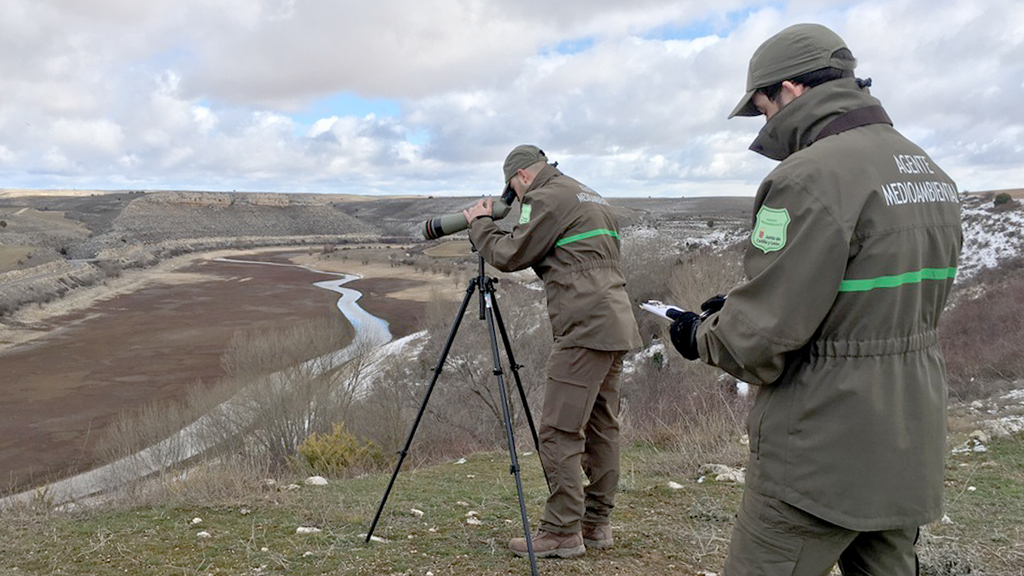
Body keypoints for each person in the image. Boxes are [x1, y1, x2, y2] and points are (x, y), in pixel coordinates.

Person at [667, 23, 962, 574]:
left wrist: (699, 334)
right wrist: (748, 301)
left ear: (790, 89)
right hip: (907, 435)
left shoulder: (808, 177)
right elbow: (863, 296)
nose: (766, 125)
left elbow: (759, 340)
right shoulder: (927, 170)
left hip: (820, 449)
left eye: (762, 109)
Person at [463, 145, 642, 558]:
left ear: (522, 176)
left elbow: (511, 254)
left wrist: (481, 225)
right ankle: (596, 523)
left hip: (583, 328)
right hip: (616, 322)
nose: (516, 198)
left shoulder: (545, 197)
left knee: (560, 431)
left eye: (513, 190)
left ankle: (562, 530)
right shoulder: (589, 194)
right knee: (602, 426)